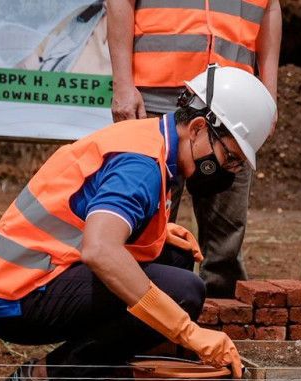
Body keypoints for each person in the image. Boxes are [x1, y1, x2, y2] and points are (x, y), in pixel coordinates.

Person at [0, 65, 277, 381]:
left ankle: (79, 380)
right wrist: (188, 331)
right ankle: (44, 379)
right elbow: (100, 249)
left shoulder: (154, 142)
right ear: (198, 128)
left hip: (32, 274)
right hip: (14, 295)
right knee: (184, 292)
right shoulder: (143, 165)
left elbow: (90, 212)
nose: (227, 170)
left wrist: (159, 233)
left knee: (175, 261)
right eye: (230, 156)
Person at [106, 0, 282, 298]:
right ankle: (138, 320)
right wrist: (123, 84)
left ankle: (222, 314)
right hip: (157, 94)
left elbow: (270, 9)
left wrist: (268, 93)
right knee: (144, 226)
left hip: (233, 99)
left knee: (227, 233)